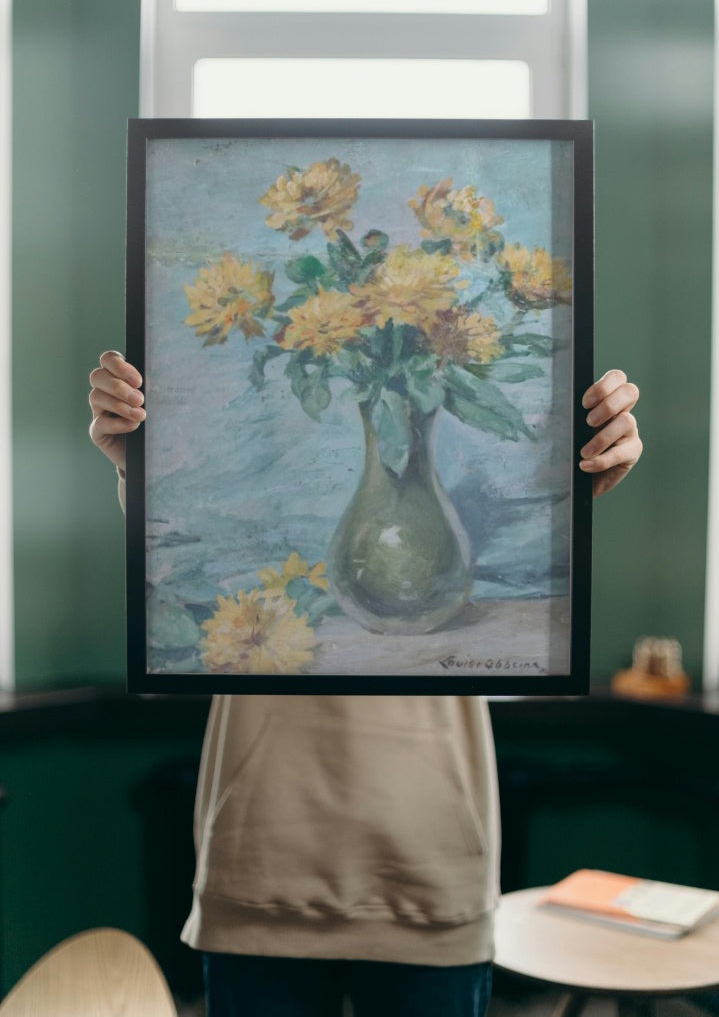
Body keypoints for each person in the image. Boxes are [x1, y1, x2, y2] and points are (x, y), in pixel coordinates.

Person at [89, 352, 642, 1017]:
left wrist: (570, 477)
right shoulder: (259, 399)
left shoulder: (458, 371)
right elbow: (182, 564)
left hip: (432, 865)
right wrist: (139, 462)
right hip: (263, 860)